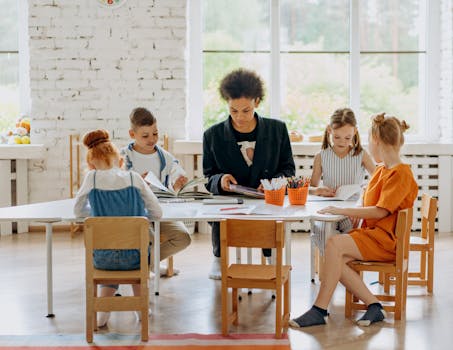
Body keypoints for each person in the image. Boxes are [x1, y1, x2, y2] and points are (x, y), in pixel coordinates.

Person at [289, 113, 418, 328]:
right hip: (373, 236)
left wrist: (343, 209)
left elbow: (380, 212)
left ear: (376, 141)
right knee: (333, 256)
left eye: (368, 140)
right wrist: (354, 213)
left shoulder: (401, 174)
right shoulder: (381, 171)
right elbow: (370, 204)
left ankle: (319, 310)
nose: (367, 144)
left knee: (333, 245)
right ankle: (374, 306)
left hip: (385, 242)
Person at [203, 68, 296, 279]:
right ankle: (219, 258)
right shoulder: (213, 135)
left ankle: (273, 257)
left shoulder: (277, 130)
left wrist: (274, 182)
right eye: (233, 110)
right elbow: (209, 177)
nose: (239, 117)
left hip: (267, 200)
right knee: (219, 212)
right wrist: (221, 180)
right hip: (231, 203)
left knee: (273, 215)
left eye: (245, 110)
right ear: (227, 103)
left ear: (257, 102)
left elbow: (289, 169)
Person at [73, 129, 162, 327]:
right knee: (137, 257)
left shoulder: (91, 179)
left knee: (109, 252)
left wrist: (99, 217)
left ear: (90, 162)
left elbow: (78, 212)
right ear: (118, 157)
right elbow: (157, 213)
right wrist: (140, 218)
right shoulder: (134, 178)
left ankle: (103, 312)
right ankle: (141, 309)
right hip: (135, 257)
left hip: (104, 259)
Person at [121, 107, 191, 276]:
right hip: (135, 212)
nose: (152, 139)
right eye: (145, 136)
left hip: (160, 210)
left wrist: (178, 182)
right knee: (149, 238)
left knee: (183, 237)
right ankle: (148, 266)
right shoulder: (123, 156)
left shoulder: (165, 157)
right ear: (132, 134)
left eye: (155, 134)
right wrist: (136, 181)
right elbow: (117, 184)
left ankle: (147, 265)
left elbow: (174, 177)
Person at [310, 108, 375, 233]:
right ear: (330, 130)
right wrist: (318, 190)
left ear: (355, 131)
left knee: (353, 234)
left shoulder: (361, 155)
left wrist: (364, 194)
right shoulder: (321, 156)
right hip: (328, 209)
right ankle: (329, 252)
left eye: (347, 138)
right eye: (337, 137)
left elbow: (378, 179)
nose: (342, 142)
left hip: (353, 211)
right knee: (324, 232)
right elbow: (311, 188)